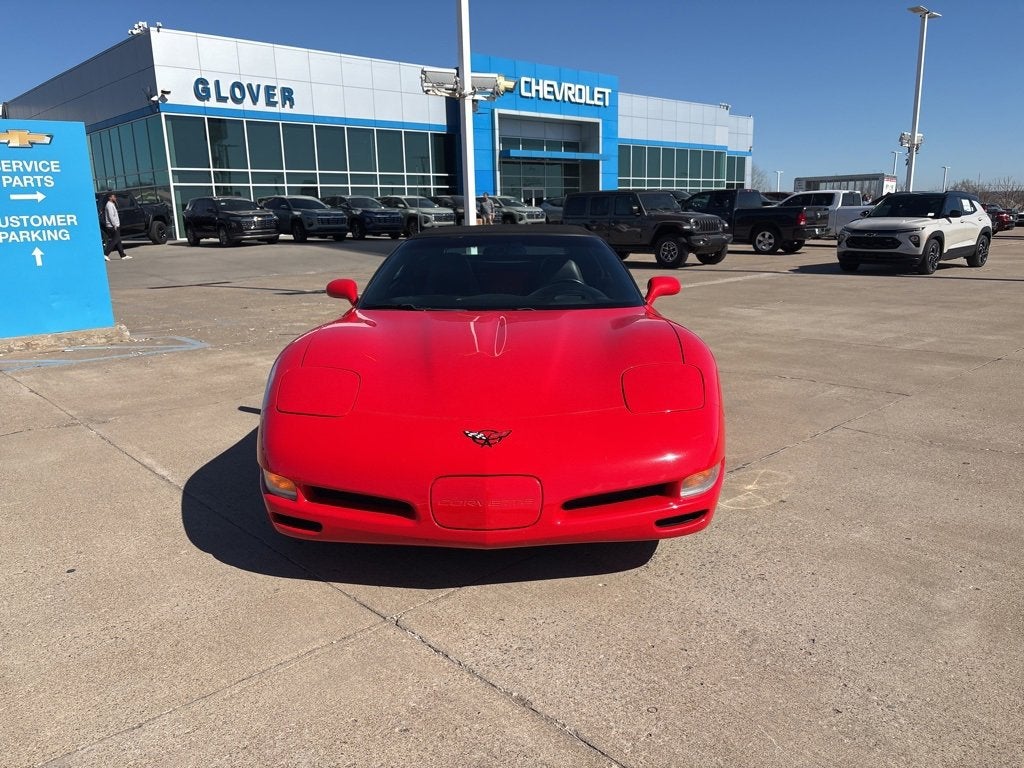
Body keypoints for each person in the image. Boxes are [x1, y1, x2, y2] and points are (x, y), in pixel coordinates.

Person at [102, 192, 131, 260]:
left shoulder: (112, 204)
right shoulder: (109, 205)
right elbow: (111, 216)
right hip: (112, 226)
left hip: (114, 225)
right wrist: (114, 225)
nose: (115, 197)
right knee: (115, 240)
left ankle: (123, 255)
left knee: (118, 240)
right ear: (110, 197)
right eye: (113, 196)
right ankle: (105, 254)